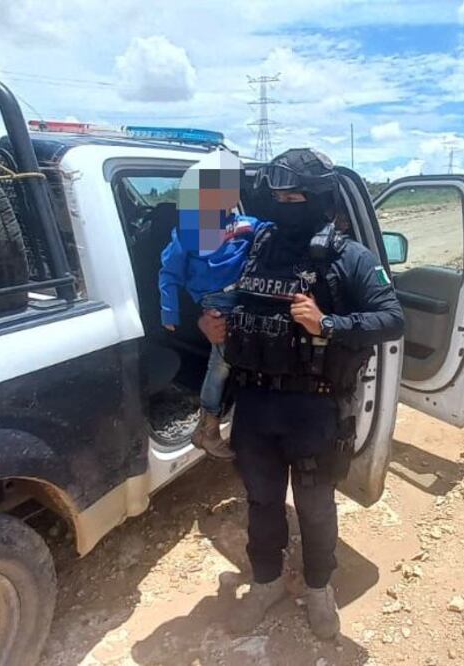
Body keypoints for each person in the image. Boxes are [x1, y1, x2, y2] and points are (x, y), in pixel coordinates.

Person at [197, 148, 404, 639]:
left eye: (295, 196)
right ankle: (265, 583)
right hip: (255, 404)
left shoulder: (349, 256)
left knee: (315, 508)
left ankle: (319, 590)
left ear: (319, 198)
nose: (285, 204)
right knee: (263, 503)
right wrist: (213, 329)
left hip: (315, 409)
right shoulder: (257, 247)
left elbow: (393, 319)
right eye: (278, 197)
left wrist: (327, 322)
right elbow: (231, 306)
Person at [158, 149, 257, 460]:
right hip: (216, 302)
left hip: (245, 298)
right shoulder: (186, 234)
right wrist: (169, 311)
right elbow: (169, 274)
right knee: (222, 363)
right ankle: (208, 427)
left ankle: (234, 424)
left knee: (244, 360)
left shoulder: (245, 224)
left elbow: (271, 232)